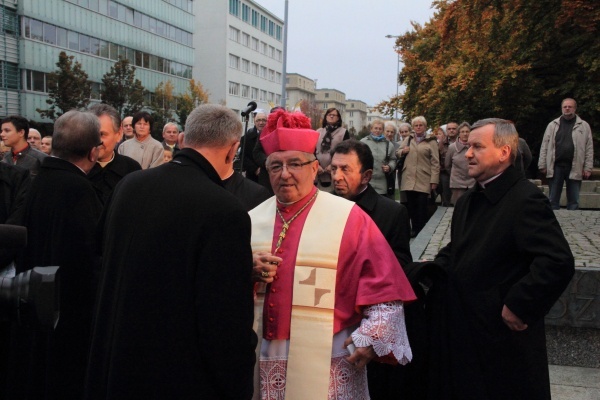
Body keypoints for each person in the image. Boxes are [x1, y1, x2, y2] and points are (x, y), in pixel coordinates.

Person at [86, 104, 257, 400]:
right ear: (233, 150)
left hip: (117, 363)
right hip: (178, 375)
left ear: (183, 139)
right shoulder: (225, 209)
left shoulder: (130, 185)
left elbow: (101, 256)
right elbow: (224, 321)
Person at [250, 109, 416, 399]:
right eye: (275, 166)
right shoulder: (250, 220)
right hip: (258, 356)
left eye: (294, 164)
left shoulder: (348, 217)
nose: (284, 174)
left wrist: (371, 337)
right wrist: (245, 269)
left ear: (315, 168)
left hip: (327, 357)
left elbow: (386, 292)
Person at [426, 118, 575, 400]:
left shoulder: (525, 199)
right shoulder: (470, 199)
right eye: (468, 147)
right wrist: (427, 272)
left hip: (500, 338)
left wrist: (519, 304)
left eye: (477, 147)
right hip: (465, 330)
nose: (468, 154)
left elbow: (557, 261)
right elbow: (460, 248)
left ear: (504, 153)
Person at [9, 110, 103, 399]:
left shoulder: (38, 180)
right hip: (67, 315)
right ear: (93, 151)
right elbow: (90, 258)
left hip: (33, 306)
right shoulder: (79, 190)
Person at [538, 98, 593, 210]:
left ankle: (574, 222)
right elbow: (544, 146)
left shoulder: (584, 126)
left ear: (575, 108)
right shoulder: (552, 125)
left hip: (575, 166)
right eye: (565, 107)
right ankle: (554, 222)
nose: (567, 108)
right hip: (555, 166)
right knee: (552, 199)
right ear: (562, 108)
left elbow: (589, 148)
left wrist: (588, 167)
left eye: (570, 106)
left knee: (574, 200)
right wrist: (542, 164)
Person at [87, 104, 142, 205]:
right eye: (91, 134)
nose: (96, 141)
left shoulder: (132, 169)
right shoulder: (76, 168)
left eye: (102, 134)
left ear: (119, 134)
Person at [397, 116, 439, 237]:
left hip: (424, 178)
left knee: (422, 207)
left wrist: (434, 180)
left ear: (425, 127)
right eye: (416, 125)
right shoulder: (409, 139)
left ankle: (421, 229)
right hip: (409, 178)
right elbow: (398, 152)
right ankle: (414, 229)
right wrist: (403, 151)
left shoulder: (431, 141)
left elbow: (435, 163)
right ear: (413, 127)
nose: (418, 127)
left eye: (421, 125)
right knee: (410, 206)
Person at [315, 107, 349, 191]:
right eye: (329, 114)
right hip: (318, 172)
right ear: (326, 117)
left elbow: (346, 152)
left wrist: (333, 165)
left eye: (334, 115)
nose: (331, 116)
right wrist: (316, 165)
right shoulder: (318, 132)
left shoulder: (343, 132)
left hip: (335, 171)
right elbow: (312, 150)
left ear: (338, 118)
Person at [360, 119, 396, 198]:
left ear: (383, 130)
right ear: (371, 129)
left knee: (380, 206)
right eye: (375, 128)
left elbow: (393, 159)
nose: (377, 130)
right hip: (367, 181)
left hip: (382, 182)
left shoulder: (389, 145)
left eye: (380, 129)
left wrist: (390, 167)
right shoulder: (363, 142)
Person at [445, 121, 475, 205]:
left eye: (467, 131)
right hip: (457, 183)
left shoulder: (475, 146)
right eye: (462, 132)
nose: (465, 134)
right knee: (458, 207)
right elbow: (447, 165)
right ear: (459, 133)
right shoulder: (452, 147)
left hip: (473, 182)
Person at [240, 111, 267, 183]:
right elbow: (243, 156)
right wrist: (255, 169)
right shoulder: (246, 138)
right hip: (252, 177)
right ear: (254, 122)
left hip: (267, 176)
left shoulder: (272, 137)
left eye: (264, 120)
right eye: (258, 120)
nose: (261, 123)